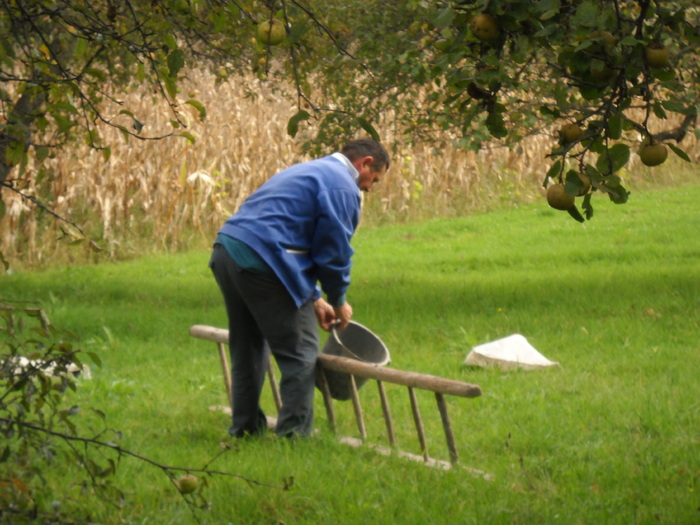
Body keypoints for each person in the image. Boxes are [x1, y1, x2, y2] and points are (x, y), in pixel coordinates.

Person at [209, 138, 390, 438]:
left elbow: (287, 235)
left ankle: (245, 430)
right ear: (365, 163)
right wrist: (338, 299)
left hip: (227, 250)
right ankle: (293, 438)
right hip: (262, 260)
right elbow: (333, 252)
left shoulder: (312, 171)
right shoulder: (341, 185)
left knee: (248, 348)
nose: (369, 187)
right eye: (374, 179)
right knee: (301, 353)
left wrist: (315, 299)